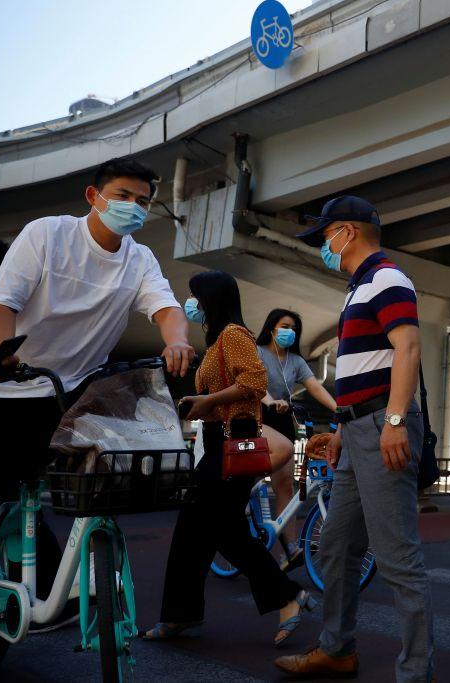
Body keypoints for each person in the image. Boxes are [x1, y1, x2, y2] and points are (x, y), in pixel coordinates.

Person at [0, 157, 193, 612]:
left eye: (143, 201)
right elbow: (2, 302)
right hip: (10, 386)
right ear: (94, 196)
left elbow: (166, 307)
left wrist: (177, 341)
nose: (133, 207)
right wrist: (1, 358)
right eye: (123, 196)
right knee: (6, 491)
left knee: (101, 481)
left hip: (74, 393)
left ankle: (68, 586)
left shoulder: (139, 258)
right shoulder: (47, 234)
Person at [275, 196, 433, 682]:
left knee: (398, 558)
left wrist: (393, 421)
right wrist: (343, 426)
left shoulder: (386, 278)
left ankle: (415, 673)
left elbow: (407, 348)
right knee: (336, 546)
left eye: (326, 235)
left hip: (382, 426)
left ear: (348, 231)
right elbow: (367, 365)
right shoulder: (359, 286)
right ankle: (336, 650)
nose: (325, 245)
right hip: (359, 427)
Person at [143, 271, 310, 646]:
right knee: (195, 529)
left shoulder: (234, 334)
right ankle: (180, 616)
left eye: (197, 298)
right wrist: (206, 408)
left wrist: (208, 402)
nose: (193, 305)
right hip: (220, 439)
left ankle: (286, 597)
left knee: (221, 531)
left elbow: (254, 382)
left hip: (234, 443)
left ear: (213, 299)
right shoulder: (219, 338)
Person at [256, 308, 338, 557]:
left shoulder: (296, 361)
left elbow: (314, 387)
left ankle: (289, 547)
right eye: (285, 326)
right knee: (256, 475)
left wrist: (340, 409)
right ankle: (245, 493)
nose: (289, 332)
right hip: (258, 415)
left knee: (285, 486)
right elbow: (254, 384)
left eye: (293, 329)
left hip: (283, 420)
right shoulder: (257, 352)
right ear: (272, 327)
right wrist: (270, 401)